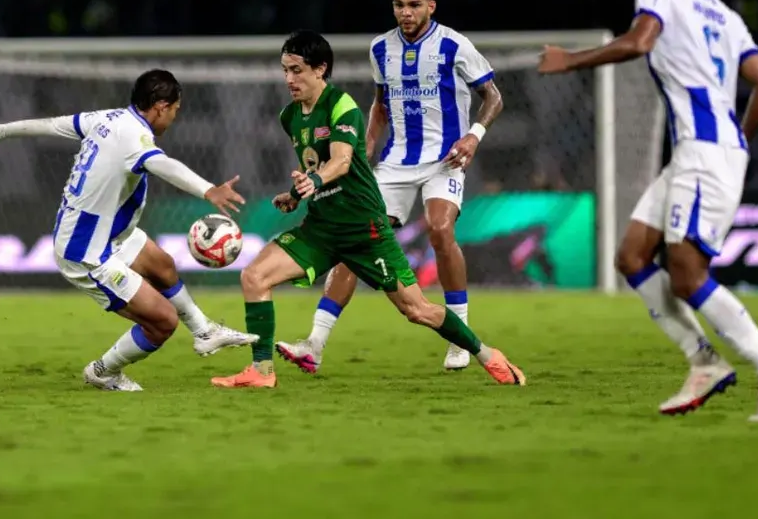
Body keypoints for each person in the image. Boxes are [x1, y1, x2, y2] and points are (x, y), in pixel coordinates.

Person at [536, 0, 758, 422]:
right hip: (705, 150)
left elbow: (641, 42)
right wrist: (741, 137)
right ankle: (703, 362)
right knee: (632, 256)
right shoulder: (728, 16)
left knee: (687, 274)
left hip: (704, 154)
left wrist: (570, 61)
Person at [210, 30, 525, 389]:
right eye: (285, 70)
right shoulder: (289, 116)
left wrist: (313, 182)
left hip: (364, 229)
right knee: (254, 278)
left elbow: (342, 161)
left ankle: (488, 355)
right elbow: (316, 165)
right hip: (322, 228)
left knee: (416, 309)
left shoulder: (341, 106)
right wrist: (297, 195)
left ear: (320, 69)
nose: (289, 80)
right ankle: (261, 372)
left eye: (297, 70)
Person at [0, 69, 257, 392]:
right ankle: (103, 371)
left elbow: (52, 124)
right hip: (85, 252)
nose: (174, 116)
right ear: (160, 106)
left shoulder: (108, 118)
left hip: (112, 236)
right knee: (163, 322)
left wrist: (0, 131)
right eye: (174, 109)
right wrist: (208, 190)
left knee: (163, 266)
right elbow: (164, 165)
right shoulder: (134, 139)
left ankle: (205, 332)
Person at [275, 0, 505, 374]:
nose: (406, 12)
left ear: (431, 5)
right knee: (354, 238)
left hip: (444, 158)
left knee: (439, 228)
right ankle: (315, 343)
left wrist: (474, 136)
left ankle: (459, 336)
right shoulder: (380, 48)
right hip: (396, 162)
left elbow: (494, 97)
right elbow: (381, 104)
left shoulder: (454, 45)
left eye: (414, 4)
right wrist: (365, 146)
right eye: (399, 5)